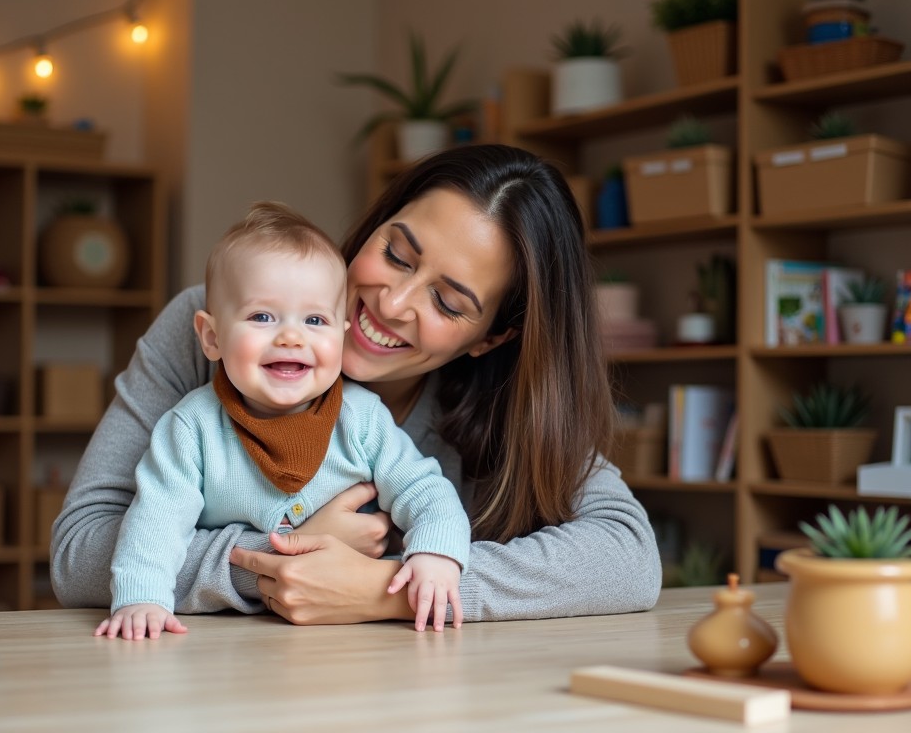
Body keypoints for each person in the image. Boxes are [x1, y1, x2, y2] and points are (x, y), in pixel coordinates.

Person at [52, 143, 663, 625]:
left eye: (448, 303)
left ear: (490, 338)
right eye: (396, 254)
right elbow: (79, 554)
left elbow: (629, 560)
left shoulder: (510, 407)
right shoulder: (212, 332)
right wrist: (277, 559)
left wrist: (387, 589)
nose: (392, 303)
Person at [94, 203, 469, 640]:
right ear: (212, 337)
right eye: (262, 317)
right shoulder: (191, 428)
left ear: (340, 334)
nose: (291, 336)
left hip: (351, 639)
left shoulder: (362, 419)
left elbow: (425, 489)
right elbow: (155, 520)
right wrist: (143, 599)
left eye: (314, 320)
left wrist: (437, 555)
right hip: (238, 641)